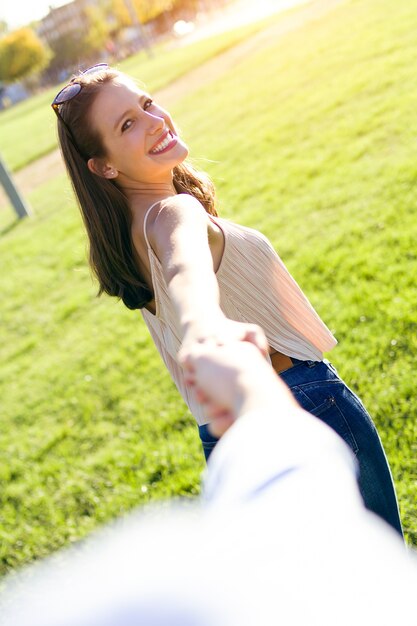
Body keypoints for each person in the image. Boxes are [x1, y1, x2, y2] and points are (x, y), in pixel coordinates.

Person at [51, 63, 402, 534]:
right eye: (127, 124)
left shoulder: (129, 238)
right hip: (299, 404)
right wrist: (203, 326)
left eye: (147, 103)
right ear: (105, 166)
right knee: (379, 581)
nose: (155, 120)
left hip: (226, 440)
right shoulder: (173, 213)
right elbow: (185, 268)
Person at [1, 342, 415, 626]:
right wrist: (250, 384)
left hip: (227, 419)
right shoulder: (167, 220)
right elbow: (293, 510)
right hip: (288, 388)